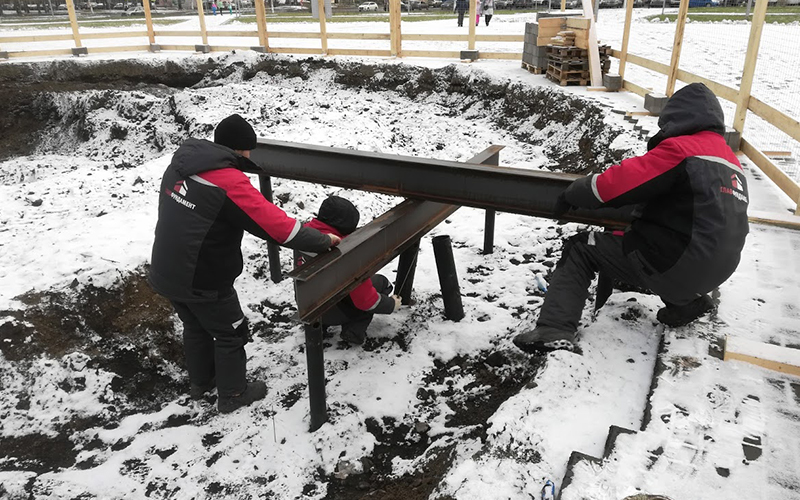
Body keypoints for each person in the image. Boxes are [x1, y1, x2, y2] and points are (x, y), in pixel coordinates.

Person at [513, 83, 749, 354]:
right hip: (718, 270)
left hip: (677, 262)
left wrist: (574, 192)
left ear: (677, 118)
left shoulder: (682, 149)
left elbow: (618, 184)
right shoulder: (731, 160)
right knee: (660, 240)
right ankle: (686, 304)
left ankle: (554, 329)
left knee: (582, 247)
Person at [149, 114, 340, 413]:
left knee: (196, 326)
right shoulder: (227, 181)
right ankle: (233, 395)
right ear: (240, 149)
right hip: (203, 276)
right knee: (231, 331)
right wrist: (323, 240)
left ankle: (202, 384)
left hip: (166, 267)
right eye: (248, 150)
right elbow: (280, 229)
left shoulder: (181, 164)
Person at [297, 196, 402, 345]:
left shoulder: (304, 235)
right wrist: (391, 304)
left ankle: (320, 329)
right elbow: (365, 301)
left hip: (306, 306)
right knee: (381, 283)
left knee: (325, 285)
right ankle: (353, 331)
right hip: (334, 310)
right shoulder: (346, 252)